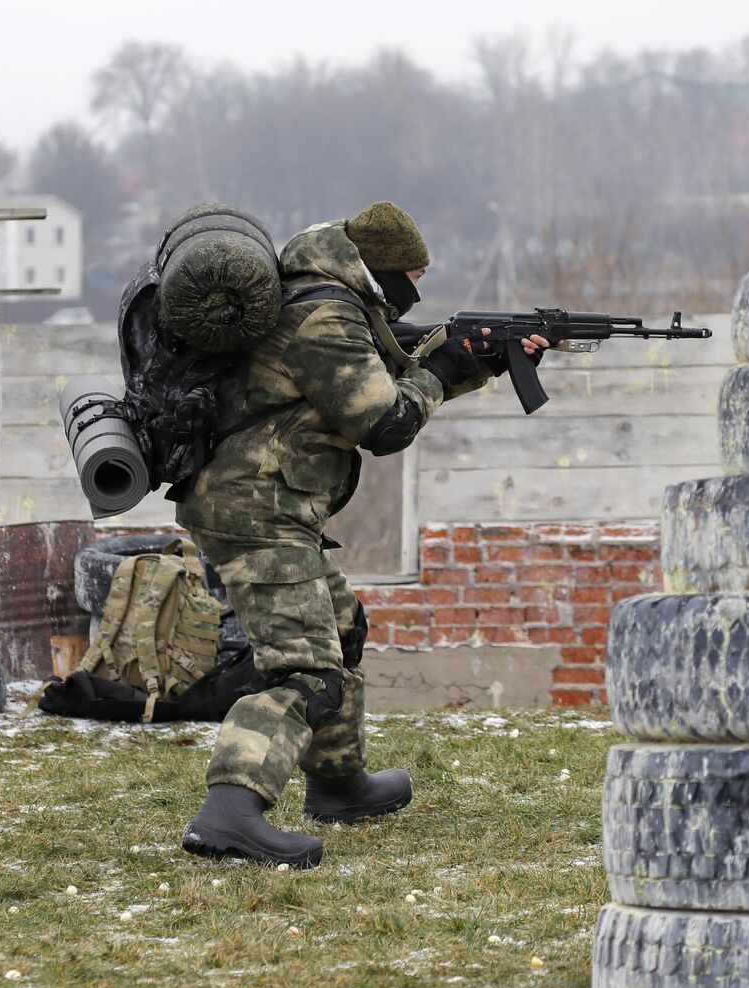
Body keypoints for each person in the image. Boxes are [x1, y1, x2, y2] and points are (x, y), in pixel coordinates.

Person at [178, 201, 550, 868]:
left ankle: (339, 783)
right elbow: (383, 424)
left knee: (340, 629)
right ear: (381, 269)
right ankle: (230, 810)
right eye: (413, 274)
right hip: (254, 508)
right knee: (307, 671)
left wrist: (474, 361)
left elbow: (386, 377)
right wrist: (444, 371)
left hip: (272, 502)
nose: (419, 288)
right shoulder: (324, 315)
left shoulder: (331, 302)